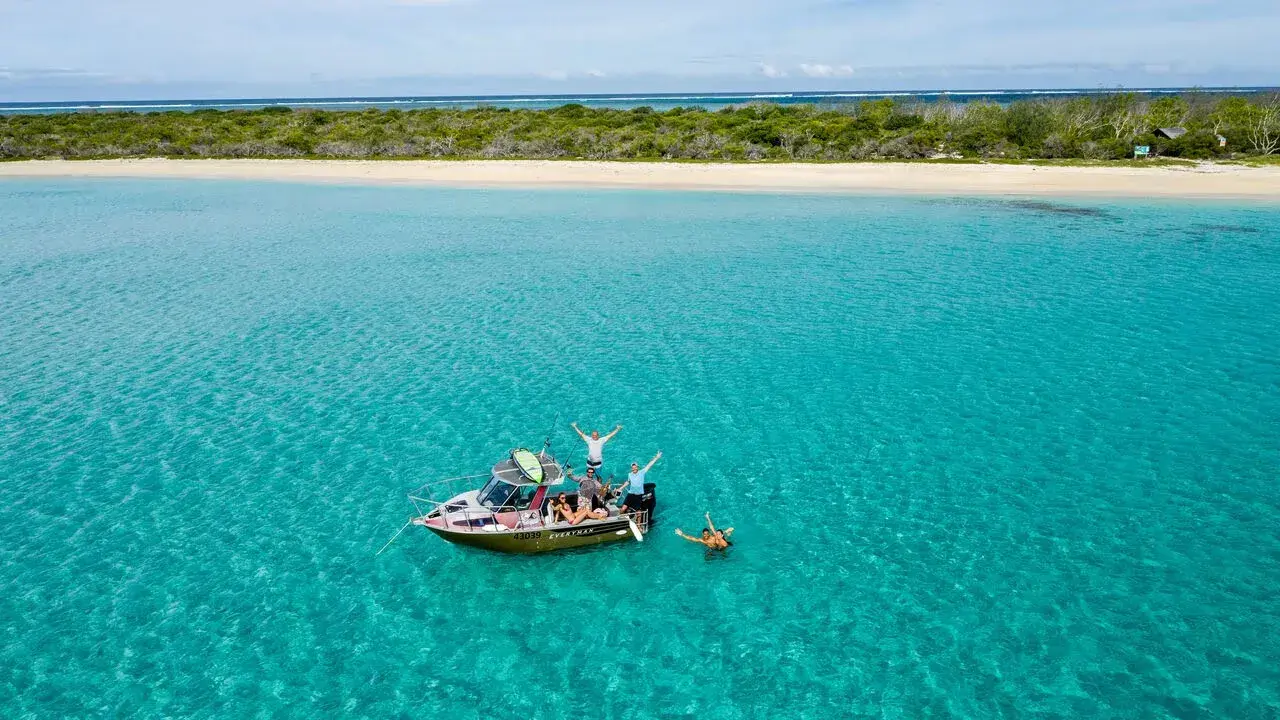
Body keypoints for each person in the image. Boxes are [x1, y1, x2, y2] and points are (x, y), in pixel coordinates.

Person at [620, 451, 662, 516]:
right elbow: (628, 482)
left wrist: (656, 457)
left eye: (635, 467)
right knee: (623, 508)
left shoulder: (642, 472)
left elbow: (649, 465)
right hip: (630, 494)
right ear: (631, 468)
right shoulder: (630, 474)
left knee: (638, 513)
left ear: (637, 467)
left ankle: (639, 525)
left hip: (638, 495)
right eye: (632, 467)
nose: (634, 468)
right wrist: (620, 488)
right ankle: (620, 519)